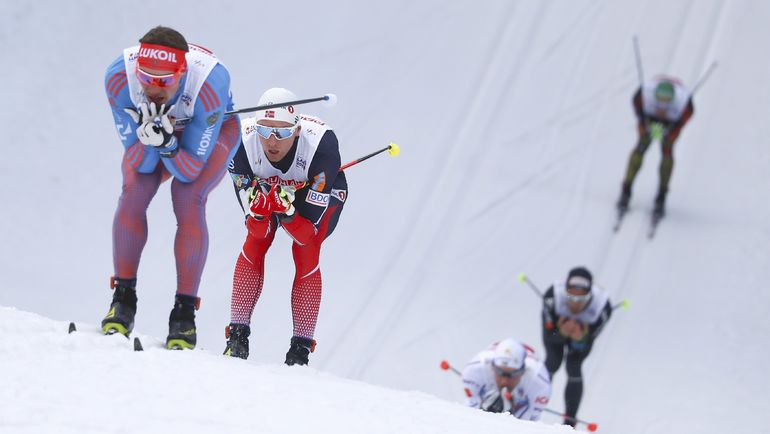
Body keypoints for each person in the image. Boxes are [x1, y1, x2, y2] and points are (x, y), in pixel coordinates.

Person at [101, 26, 241, 350]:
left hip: (209, 131)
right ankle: (123, 299)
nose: (153, 88)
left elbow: (189, 170)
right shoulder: (119, 77)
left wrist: (165, 144)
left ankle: (184, 315)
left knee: (187, 196)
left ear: (182, 73)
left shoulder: (209, 83)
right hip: (160, 138)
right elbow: (142, 165)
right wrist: (153, 140)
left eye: (164, 81)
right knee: (134, 191)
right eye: (146, 78)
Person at [223, 88, 348, 365]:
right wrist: (260, 210)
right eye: (264, 132)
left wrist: (289, 213)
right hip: (267, 188)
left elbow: (306, 235)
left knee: (306, 250)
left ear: (297, 131)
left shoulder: (321, 145)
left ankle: (300, 350)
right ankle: (237, 337)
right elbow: (256, 231)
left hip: (314, 189)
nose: (271, 142)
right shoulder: (239, 142)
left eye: (281, 134)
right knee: (256, 240)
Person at [541, 266, 611, 427]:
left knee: (574, 366)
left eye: (581, 300)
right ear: (564, 290)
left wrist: (581, 338)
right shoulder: (553, 296)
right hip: (557, 329)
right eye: (570, 297)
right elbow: (548, 334)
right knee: (553, 361)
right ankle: (532, 399)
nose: (574, 303)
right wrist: (560, 333)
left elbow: (591, 338)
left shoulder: (603, 306)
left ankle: (570, 420)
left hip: (583, 332)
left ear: (590, 295)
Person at [617, 76, 695, 217]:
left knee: (667, 153)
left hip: (671, 123)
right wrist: (643, 122)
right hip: (649, 119)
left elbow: (685, 118)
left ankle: (661, 195)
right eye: (659, 102)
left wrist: (671, 131)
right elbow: (636, 105)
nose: (662, 107)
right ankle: (626, 190)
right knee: (640, 148)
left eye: (666, 103)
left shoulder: (683, 103)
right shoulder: (644, 96)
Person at [461, 339, 552, 421]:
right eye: (499, 372)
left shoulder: (539, 383)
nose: (504, 381)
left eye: (512, 375)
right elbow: (470, 411)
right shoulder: (475, 370)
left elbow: (530, 423)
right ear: (492, 367)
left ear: (523, 372)